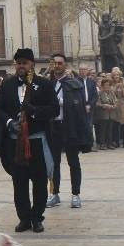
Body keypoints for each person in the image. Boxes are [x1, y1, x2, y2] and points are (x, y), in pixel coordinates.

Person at [0, 49, 58, 232]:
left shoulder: (44, 84)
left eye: (25, 62)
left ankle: (37, 217)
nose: (21, 66)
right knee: (19, 183)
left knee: (39, 182)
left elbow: (54, 109)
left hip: (36, 141)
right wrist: (8, 122)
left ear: (32, 65)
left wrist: (34, 111)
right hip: (15, 143)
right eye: (18, 62)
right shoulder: (7, 85)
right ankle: (24, 218)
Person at [47, 53, 89, 209]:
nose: (57, 65)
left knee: (73, 162)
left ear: (64, 65)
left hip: (69, 127)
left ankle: (75, 194)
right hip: (53, 128)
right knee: (53, 164)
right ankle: (55, 194)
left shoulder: (73, 83)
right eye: (54, 63)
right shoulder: (47, 84)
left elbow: (79, 105)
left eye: (59, 63)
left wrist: (62, 102)